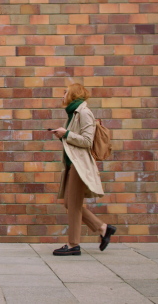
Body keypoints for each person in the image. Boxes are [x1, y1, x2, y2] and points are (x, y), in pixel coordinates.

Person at [49, 83, 116, 256]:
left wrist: (66, 134)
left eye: (65, 92)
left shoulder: (84, 113)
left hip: (80, 166)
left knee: (73, 204)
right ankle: (102, 228)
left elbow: (87, 141)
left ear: (74, 94)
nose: (62, 95)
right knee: (70, 203)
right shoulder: (73, 113)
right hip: (73, 164)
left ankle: (73, 244)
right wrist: (63, 134)